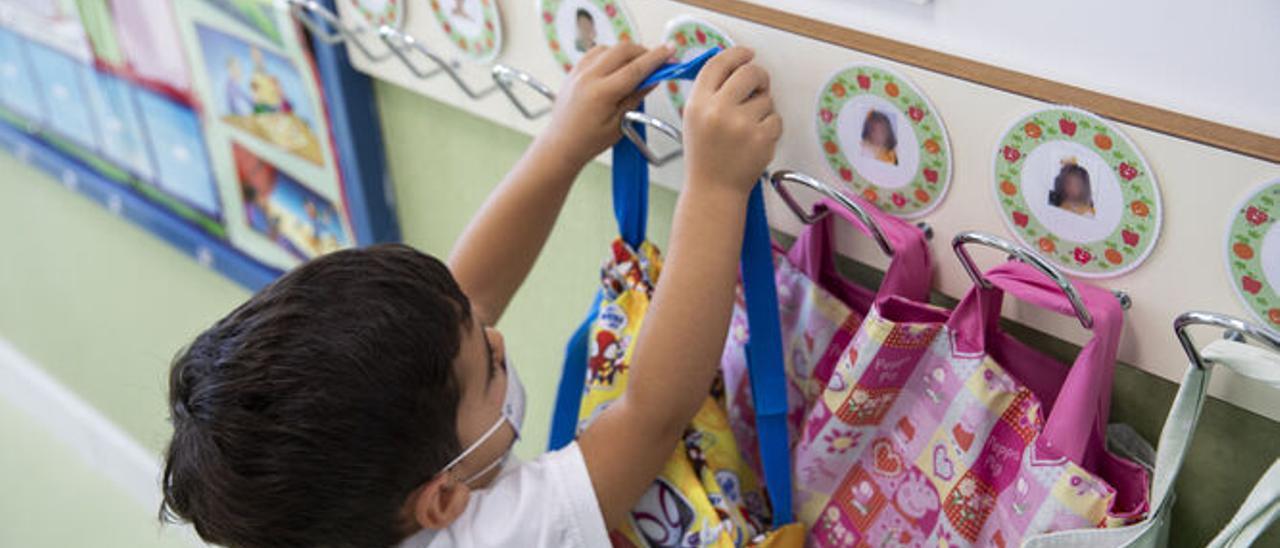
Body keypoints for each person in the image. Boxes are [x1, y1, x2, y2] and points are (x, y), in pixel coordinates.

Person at [158, 43, 781, 548]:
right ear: (443, 501)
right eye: (492, 367)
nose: (498, 337)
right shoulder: (497, 538)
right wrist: (717, 186)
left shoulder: (363, 505)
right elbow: (651, 413)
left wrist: (562, 146)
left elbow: (469, 294)